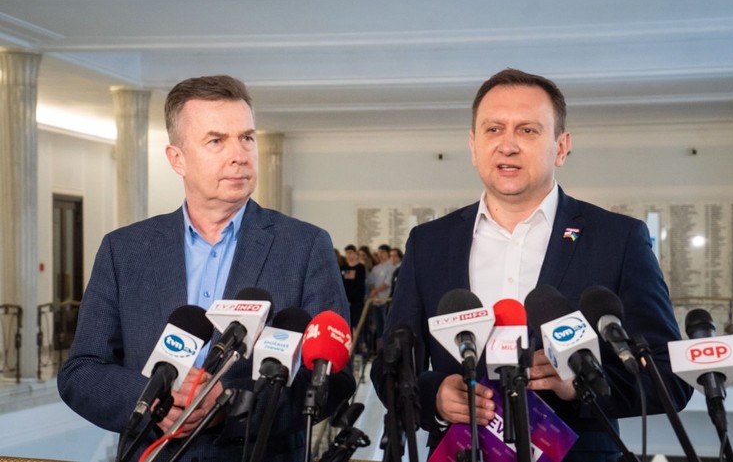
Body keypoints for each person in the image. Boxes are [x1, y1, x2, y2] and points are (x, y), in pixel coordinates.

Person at [371, 68, 692, 461]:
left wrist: (578, 385)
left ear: (561, 147)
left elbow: (670, 377)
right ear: (473, 145)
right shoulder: (429, 243)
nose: (507, 145)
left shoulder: (618, 239)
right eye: (493, 130)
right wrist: (435, 397)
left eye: (527, 130)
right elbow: (389, 367)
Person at [58, 75, 354, 462]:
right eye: (216, 141)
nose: (239, 155)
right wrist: (150, 398)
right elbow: (81, 371)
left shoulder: (304, 246)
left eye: (246, 138)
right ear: (176, 159)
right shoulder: (125, 250)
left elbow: (334, 381)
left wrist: (230, 403)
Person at [340, 244, 366, 333]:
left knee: (358, 326)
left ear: (355, 254)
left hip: (356, 302)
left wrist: (351, 300)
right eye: (347, 253)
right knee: (346, 326)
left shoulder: (360, 268)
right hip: (345, 302)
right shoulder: (343, 268)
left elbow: (359, 285)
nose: (348, 255)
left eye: (350, 253)